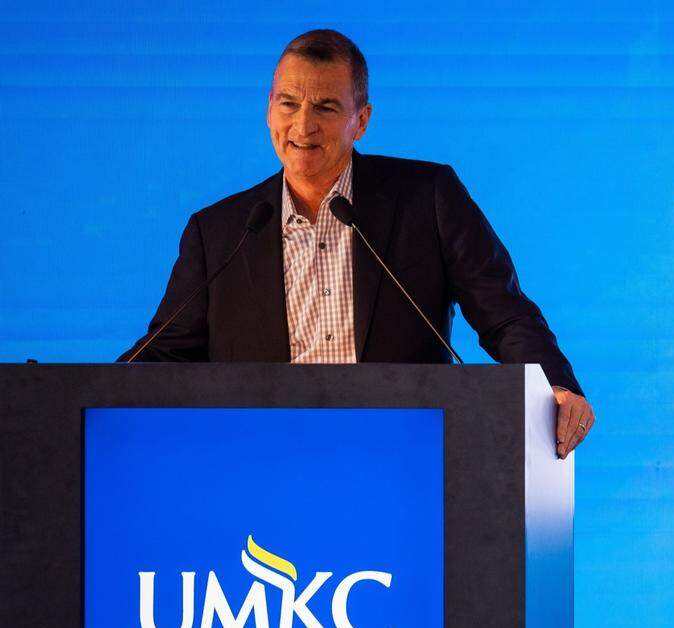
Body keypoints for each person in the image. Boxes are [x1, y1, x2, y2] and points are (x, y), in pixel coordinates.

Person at [121, 29, 594, 456]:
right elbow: (164, 352)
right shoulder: (220, 231)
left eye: (326, 107)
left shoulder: (426, 198)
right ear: (268, 110)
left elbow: (504, 312)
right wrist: (82, 395)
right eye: (288, 103)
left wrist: (556, 387)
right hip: (262, 465)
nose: (303, 126)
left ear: (361, 120)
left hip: (402, 458)